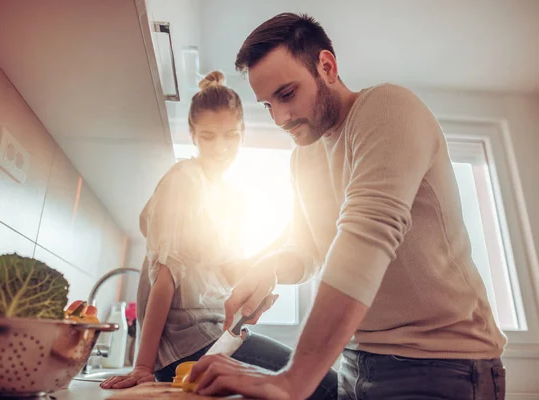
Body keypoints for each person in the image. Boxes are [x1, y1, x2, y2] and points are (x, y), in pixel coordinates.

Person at [187, 14, 508, 400]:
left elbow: (366, 237)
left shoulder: (387, 108)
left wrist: (293, 380)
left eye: (287, 95)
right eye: (268, 105)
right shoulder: (302, 159)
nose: (281, 119)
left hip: (443, 367)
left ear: (327, 66)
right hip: (355, 365)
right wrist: (270, 266)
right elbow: (307, 250)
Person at [100, 70, 338, 400]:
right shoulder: (185, 178)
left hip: (217, 336)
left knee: (323, 385)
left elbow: (227, 272)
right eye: (209, 136)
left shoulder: (230, 196)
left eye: (230, 136)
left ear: (242, 134)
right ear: (193, 135)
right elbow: (165, 273)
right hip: (188, 346)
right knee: (326, 387)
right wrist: (143, 366)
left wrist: (277, 251)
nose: (221, 147)